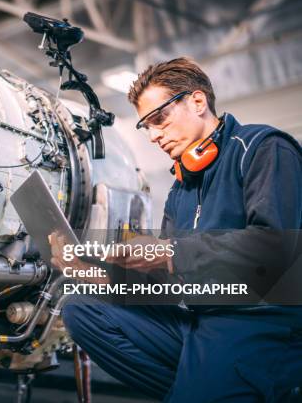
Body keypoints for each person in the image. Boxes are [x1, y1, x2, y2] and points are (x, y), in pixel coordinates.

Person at [49, 57, 302, 401]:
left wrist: (170, 252)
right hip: (200, 318)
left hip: (262, 322)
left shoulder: (263, 148)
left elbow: (273, 249)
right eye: (146, 126)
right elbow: (170, 284)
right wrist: (87, 272)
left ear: (198, 102)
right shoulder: (181, 189)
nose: (154, 136)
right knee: (82, 309)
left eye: (159, 119)